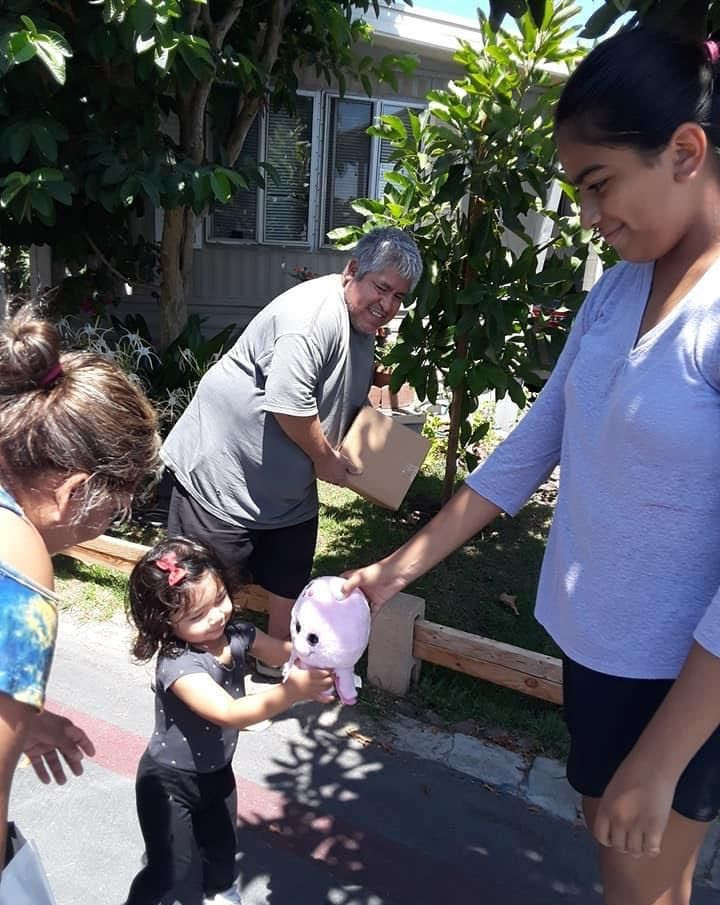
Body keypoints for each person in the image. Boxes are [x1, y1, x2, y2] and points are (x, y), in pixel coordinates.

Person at [343, 28, 720, 905]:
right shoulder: (623, 283)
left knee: (639, 887)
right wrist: (390, 573)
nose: (588, 216)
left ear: (686, 150)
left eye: (599, 186)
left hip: (681, 683)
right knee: (633, 866)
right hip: (601, 652)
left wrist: (662, 756)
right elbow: (534, 441)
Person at [161, 227, 423, 656]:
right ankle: (187, 672)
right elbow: (289, 403)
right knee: (199, 587)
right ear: (352, 270)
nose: (389, 306)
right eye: (382, 288)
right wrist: (324, 460)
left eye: (399, 297)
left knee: (289, 572)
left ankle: (278, 664)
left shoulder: (359, 321)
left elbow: (340, 396)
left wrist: (381, 458)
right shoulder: (312, 318)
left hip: (285, 487)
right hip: (222, 476)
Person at [0, 305, 160, 869]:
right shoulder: (19, 560)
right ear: (74, 494)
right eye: (113, 512)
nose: (107, 525)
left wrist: (20, 722)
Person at [123, 537, 334, 905]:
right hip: (168, 784)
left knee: (221, 852)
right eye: (198, 615)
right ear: (164, 622)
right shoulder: (178, 665)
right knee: (171, 870)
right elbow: (231, 713)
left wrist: (320, 657)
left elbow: (282, 652)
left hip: (217, 775)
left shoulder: (237, 634)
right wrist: (293, 692)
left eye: (220, 598)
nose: (217, 615)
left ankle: (220, 891)